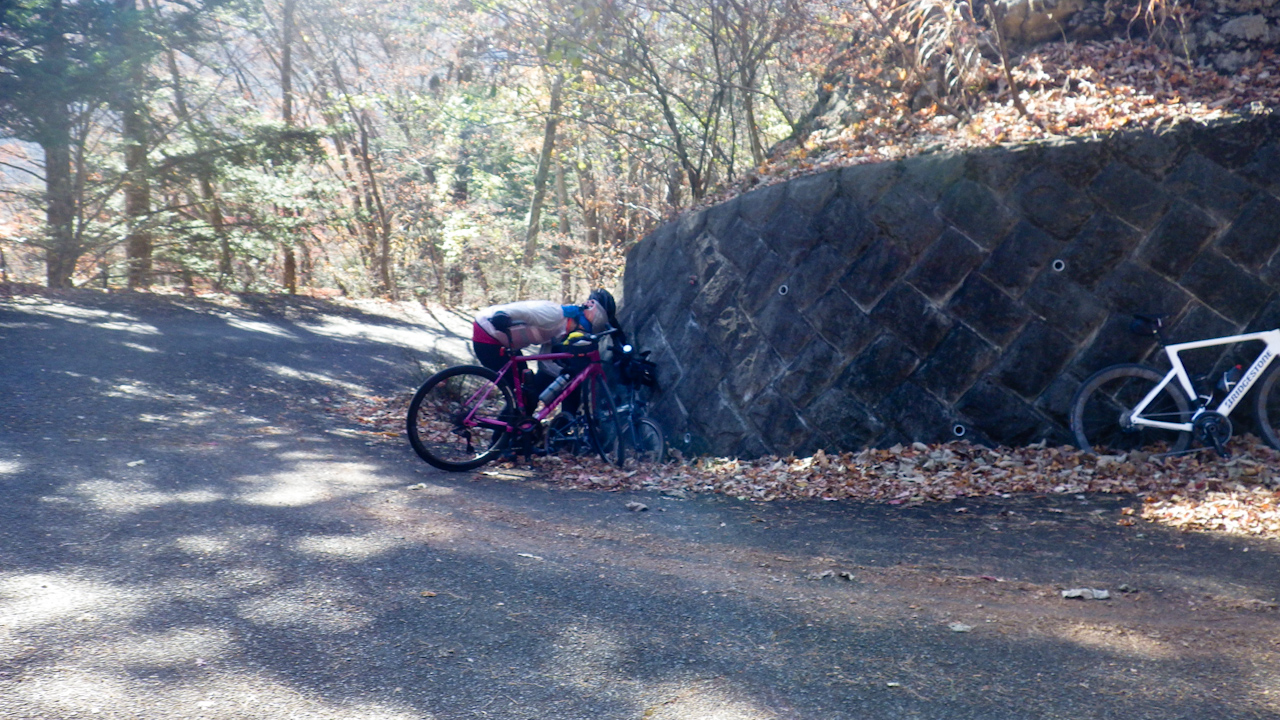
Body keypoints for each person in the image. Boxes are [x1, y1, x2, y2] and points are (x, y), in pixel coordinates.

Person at [471, 289, 621, 412]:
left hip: (506, 343)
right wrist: (502, 316)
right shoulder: (553, 314)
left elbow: (546, 360)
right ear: (580, 320)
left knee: (528, 393)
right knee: (521, 398)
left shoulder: (563, 329)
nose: (581, 335)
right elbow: (524, 312)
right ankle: (499, 445)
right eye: (583, 330)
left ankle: (518, 439)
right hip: (488, 336)